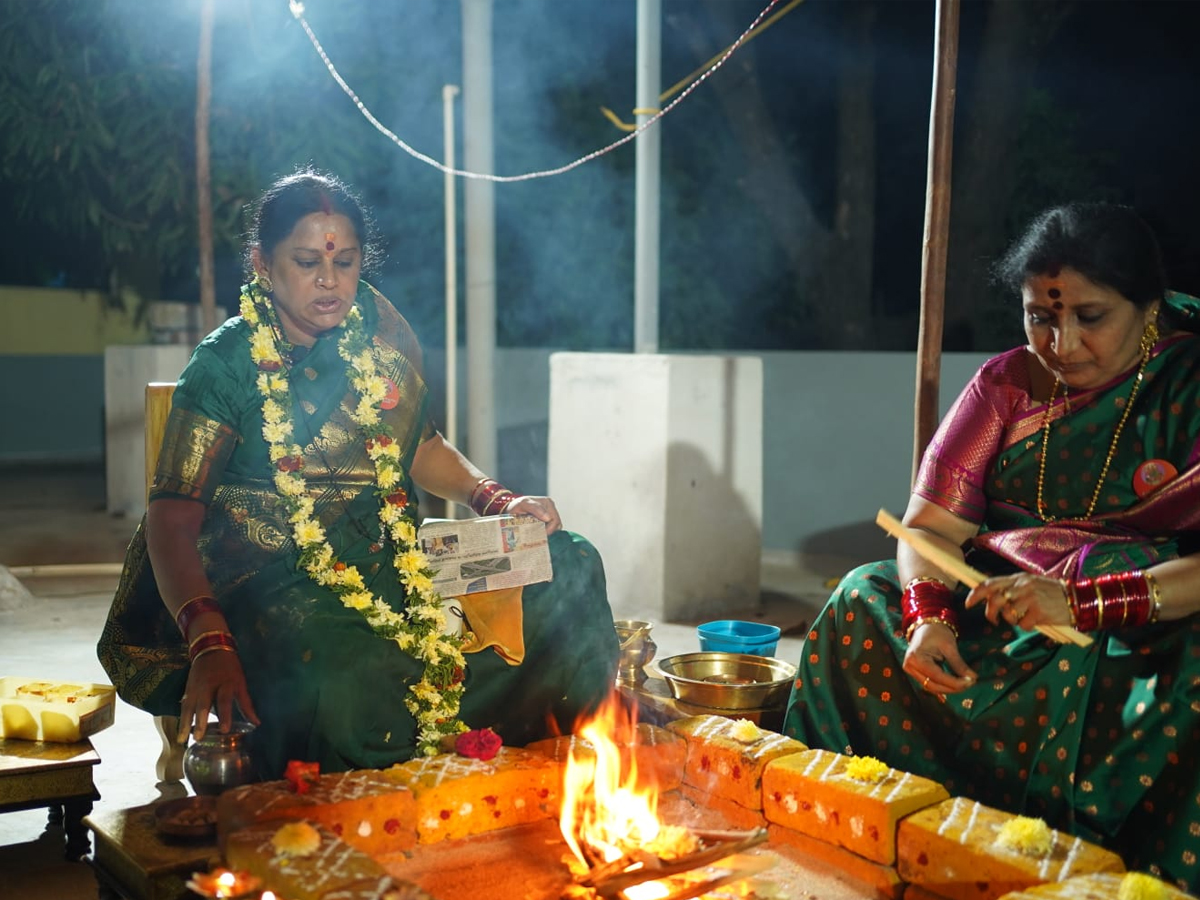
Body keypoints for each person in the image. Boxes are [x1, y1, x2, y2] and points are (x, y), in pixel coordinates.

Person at [98, 170, 619, 778]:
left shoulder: (377, 332)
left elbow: (419, 445)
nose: (329, 280)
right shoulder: (226, 364)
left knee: (571, 561)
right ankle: (375, 795)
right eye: (306, 261)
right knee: (341, 673)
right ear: (263, 265)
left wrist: (495, 498)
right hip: (271, 579)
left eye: (344, 262)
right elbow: (170, 521)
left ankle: (553, 763)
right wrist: (208, 638)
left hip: (391, 554)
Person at [783, 202, 1200, 891]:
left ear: (1147, 307)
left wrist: (1081, 601)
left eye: (1090, 317)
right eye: (1041, 315)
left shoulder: (1187, 386)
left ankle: (1110, 870)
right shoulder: (1009, 383)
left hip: (1140, 619)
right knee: (861, 596)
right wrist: (928, 619)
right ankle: (857, 823)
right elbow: (927, 530)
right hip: (998, 606)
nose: (1061, 344)